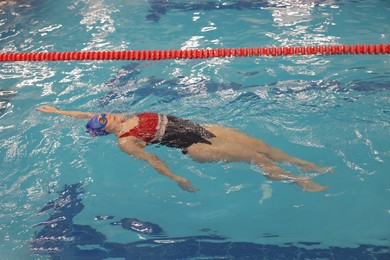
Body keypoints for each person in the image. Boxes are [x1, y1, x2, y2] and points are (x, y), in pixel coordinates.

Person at [35, 105, 332, 192]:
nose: (107, 113)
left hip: (203, 128)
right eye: (104, 118)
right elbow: (151, 159)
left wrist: (57, 112)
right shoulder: (126, 141)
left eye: (104, 113)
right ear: (105, 130)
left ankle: (303, 164)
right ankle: (299, 181)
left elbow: (82, 116)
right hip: (194, 147)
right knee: (254, 157)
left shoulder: (123, 118)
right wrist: (176, 179)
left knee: (261, 146)